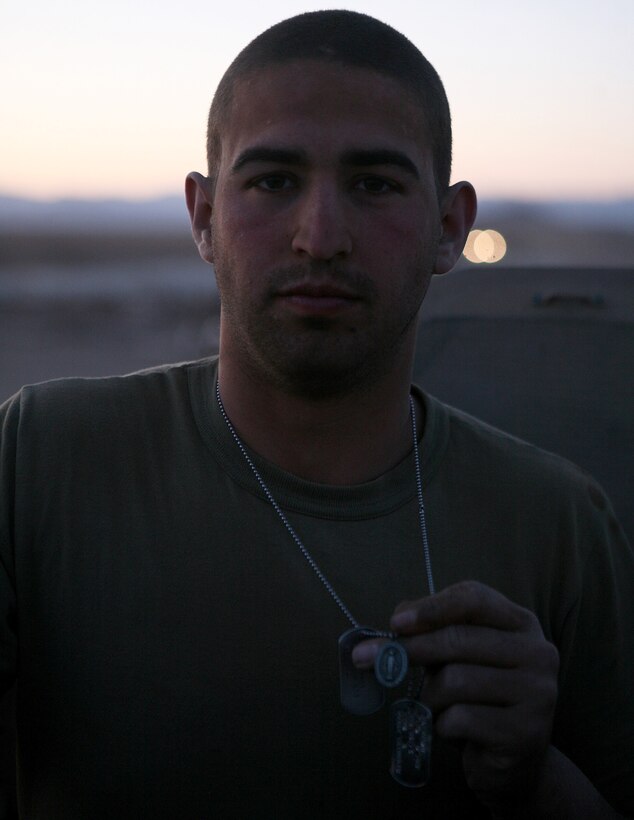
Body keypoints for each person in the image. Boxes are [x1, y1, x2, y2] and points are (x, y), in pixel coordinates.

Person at [1, 10, 632, 818]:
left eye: (373, 184)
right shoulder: (39, 464)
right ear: (202, 217)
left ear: (449, 229)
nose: (320, 236)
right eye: (272, 181)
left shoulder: (558, 523)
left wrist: (531, 769)